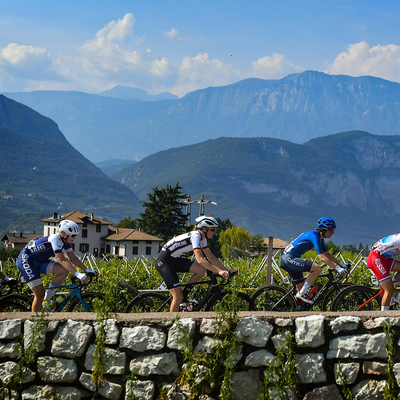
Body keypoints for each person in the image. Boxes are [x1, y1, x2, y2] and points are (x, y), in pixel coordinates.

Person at [16, 219, 96, 312]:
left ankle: (47, 299)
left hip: (39, 261)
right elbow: (62, 260)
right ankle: (35, 323)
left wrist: (87, 270)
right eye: (73, 235)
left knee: (64, 271)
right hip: (26, 260)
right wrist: (78, 274)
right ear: (63, 234)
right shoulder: (55, 239)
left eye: (76, 235)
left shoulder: (65, 242)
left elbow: (73, 258)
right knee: (39, 294)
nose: (75, 238)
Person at [155, 215, 230, 312]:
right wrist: (219, 271)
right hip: (164, 261)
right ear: (204, 229)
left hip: (174, 259)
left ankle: (184, 297)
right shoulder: (196, 236)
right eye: (213, 230)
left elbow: (211, 258)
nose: (214, 232)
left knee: (201, 270)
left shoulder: (203, 239)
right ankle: (172, 322)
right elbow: (200, 260)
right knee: (177, 296)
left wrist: (226, 270)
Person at [280, 217, 348, 304]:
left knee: (300, 292)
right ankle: (302, 294)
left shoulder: (320, 238)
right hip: (289, 259)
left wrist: (341, 264)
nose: (333, 233)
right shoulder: (314, 235)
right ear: (324, 230)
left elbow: (327, 254)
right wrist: (337, 268)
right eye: (331, 231)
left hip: (290, 259)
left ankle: (297, 309)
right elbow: (322, 257)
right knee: (317, 268)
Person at [367, 234, 400, 311]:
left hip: (383, 257)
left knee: (390, 288)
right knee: (389, 290)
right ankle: (383, 316)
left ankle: (393, 283)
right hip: (376, 258)